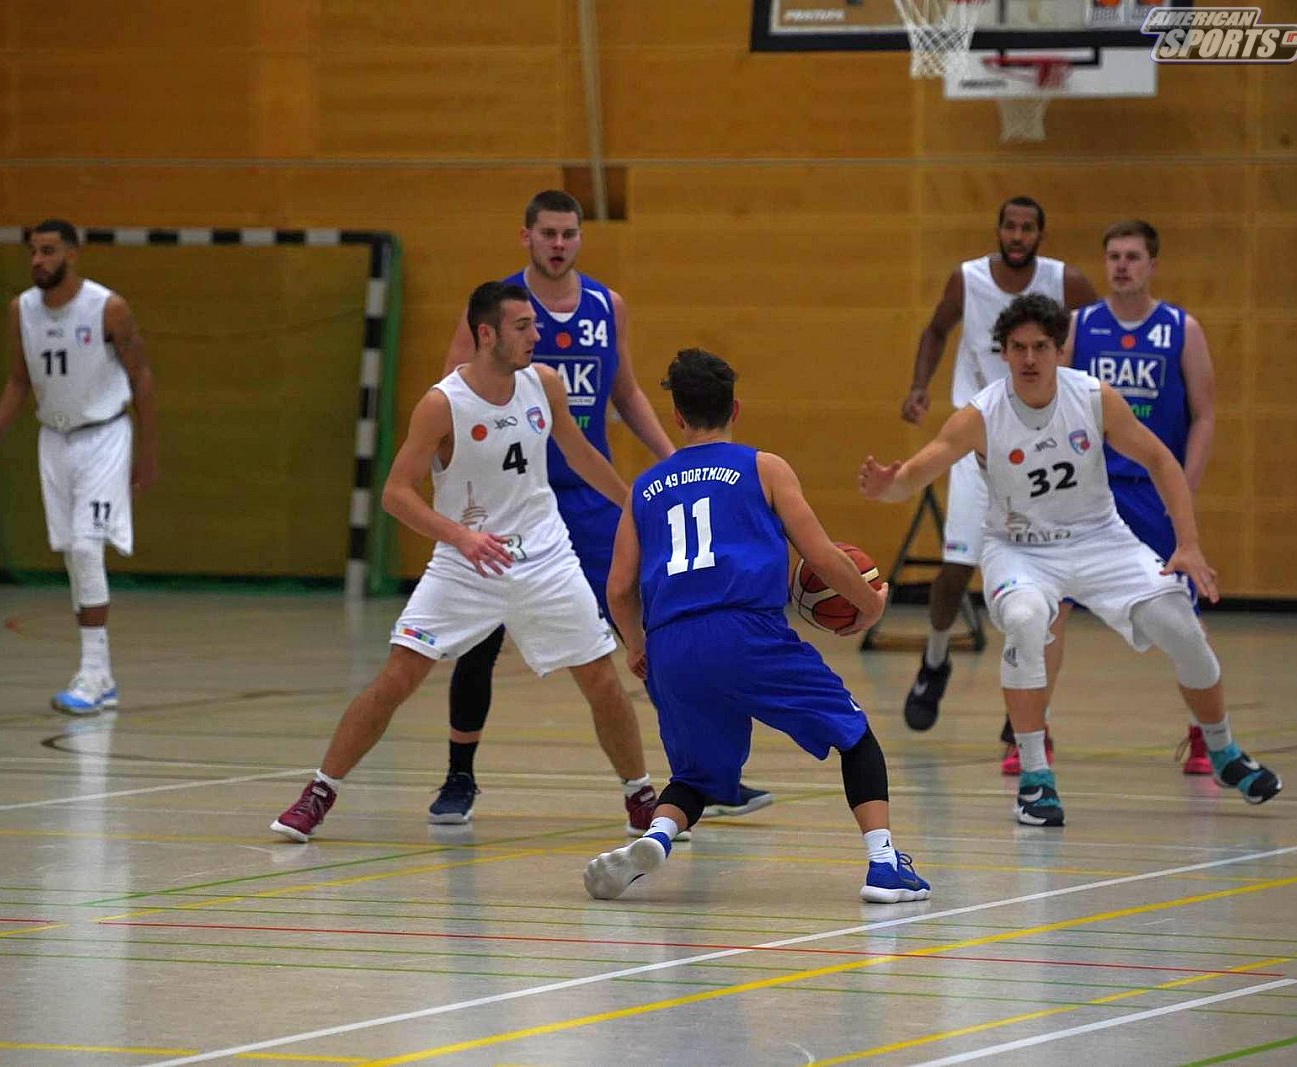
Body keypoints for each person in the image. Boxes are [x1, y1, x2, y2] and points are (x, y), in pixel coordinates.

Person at [860, 294, 1281, 827]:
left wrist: (1188, 543)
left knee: (1182, 627)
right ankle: (1035, 777)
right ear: (1004, 352)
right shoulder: (982, 415)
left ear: (1060, 350)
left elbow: (1160, 460)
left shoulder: (1093, 397)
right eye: (1018, 347)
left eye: (1040, 347)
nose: (1029, 358)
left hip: (1100, 540)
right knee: (1025, 620)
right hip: (1020, 550)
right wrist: (887, 486)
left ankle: (1222, 750)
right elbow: (915, 474)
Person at [270, 281, 659, 843]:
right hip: (465, 564)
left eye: (534, 324)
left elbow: (578, 453)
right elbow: (395, 493)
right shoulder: (442, 404)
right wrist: (461, 537)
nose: (536, 335)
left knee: (601, 678)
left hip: (544, 556)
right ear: (487, 334)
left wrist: (632, 505)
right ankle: (318, 793)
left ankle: (640, 796)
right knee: (398, 676)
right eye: (523, 326)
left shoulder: (543, 384)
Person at [430, 190, 772, 826]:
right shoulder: (498, 309)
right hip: (510, 498)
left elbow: (627, 391)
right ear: (526, 237)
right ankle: (459, 777)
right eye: (548, 233)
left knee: (649, 624)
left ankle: (704, 772)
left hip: (589, 497)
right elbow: (453, 392)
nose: (559, 244)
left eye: (570, 233)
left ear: (581, 237)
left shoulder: (607, 305)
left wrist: (676, 458)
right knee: (480, 640)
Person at [582, 349, 930, 903]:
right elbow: (820, 554)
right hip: (746, 630)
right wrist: (869, 604)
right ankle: (885, 866)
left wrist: (636, 646)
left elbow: (619, 588)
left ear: (677, 416)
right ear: (735, 408)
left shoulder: (644, 488)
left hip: (672, 643)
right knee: (855, 736)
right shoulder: (763, 467)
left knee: (694, 775)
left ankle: (656, 837)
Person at [899, 197, 1097, 769]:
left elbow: (1099, 335)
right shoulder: (968, 279)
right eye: (1009, 226)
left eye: (1027, 227)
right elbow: (936, 330)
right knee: (956, 569)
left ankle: (1025, 715)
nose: (1017, 235)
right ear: (998, 230)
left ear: (1040, 234)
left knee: (1041, 583)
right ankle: (936, 658)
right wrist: (919, 386)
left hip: (1042, 445)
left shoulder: (1067, 281)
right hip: (979, 437)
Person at [1040, 219, 1218, 776]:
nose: (1121, 265)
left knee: (1181, 610)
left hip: (1151, 491)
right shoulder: (1079, 326)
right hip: (1088, 490)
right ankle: (1033, 733)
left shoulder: (1182, 329)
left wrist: (1184, 487)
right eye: (1113, 255)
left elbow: (1204, 414)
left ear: (1152, 265)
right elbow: (1051, 403)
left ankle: (1204, 735)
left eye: (1132, 256)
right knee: (1049, 609)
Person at [0, 219, 158, 714]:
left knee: (87, 546)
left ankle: (92, 675)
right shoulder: (21, 310)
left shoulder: (107, 308)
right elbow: (19, 379)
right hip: (54, 439)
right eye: (33, 251)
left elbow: (141, 375)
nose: (38, 260)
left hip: (104, 435)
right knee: (74, 553)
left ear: (72, 254)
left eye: (49, 250)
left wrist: (147, 452)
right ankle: (103, 678)